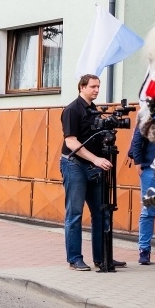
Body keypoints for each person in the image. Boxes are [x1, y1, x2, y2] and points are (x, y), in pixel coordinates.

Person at [60, 74, 127, 271]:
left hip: (93, 167)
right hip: (74, 165)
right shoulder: (72, 110)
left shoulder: (94, 110)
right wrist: (96, 159)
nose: (96, 90)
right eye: (92, 86)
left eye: (98, 86)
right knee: (75, 213)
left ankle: (103, 257)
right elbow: (70, 142)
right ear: (82, 87)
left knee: (102, 212)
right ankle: (75, 259)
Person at [130, 126, 155, 265]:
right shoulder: (151, 111)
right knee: (148, 210)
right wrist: (138, 162)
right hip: (150, 168)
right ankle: (144, 250)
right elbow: (138, 137)